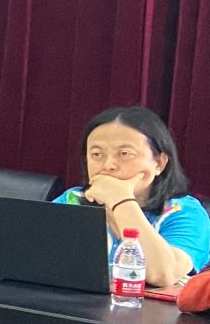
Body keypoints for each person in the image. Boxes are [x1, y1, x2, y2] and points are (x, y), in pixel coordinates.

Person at [57, 107, 210, 289]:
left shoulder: (185, 212)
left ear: (159, 163)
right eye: (96, 154)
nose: (108, 165)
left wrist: (120, 199)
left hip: (148, 307)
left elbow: (163, 274)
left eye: (125, 154)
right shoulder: (72, 200)